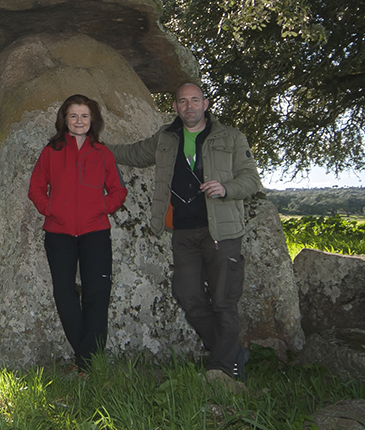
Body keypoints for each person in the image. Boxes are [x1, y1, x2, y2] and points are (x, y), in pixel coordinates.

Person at [111, 82, 262, 387]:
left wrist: (226, 188)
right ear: (176, 107)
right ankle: (232, 353)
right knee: (187, 294)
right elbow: (134, 153)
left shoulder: (230, 137)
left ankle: (222, 368)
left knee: (224, 300)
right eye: (183, 101)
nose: (189, 106)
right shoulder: (166, 138)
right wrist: (95, 147)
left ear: (206, 104)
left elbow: (251, 179)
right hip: (183, 232)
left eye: (195, 100)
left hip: (221, 231)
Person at [28, 94, 127, 373]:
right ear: (64, 119)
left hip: (95, 232)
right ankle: (86, 358)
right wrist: (50, 208)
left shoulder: (103, 153)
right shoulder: (52, 151)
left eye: (84, 116)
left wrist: (101, 207)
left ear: (92, 120)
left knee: (97, 292)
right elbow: (35, 188)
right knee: (64, 293)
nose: (79, 121)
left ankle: (86, 362)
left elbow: (119, 191)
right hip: (58, 233)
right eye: (73, 116)